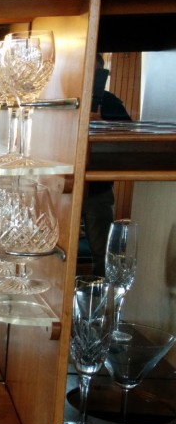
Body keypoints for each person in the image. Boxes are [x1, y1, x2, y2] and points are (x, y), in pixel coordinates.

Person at [83, 54, 131, 275]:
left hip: (98, 186)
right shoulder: (64, 100)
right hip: (63, 186)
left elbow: (128, 139)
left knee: (103, 251)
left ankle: (101, 288)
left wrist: (101, 124)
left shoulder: (110, 102)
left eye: (96, 73)